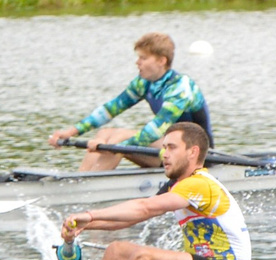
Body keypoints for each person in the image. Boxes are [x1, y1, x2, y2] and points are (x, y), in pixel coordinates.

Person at [60, 122, 254, 260]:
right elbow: (133, 217)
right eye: (164, 148)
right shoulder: (176, 185)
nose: (164, 155)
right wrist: (83, 226)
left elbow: (145, 207)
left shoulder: (200, 184)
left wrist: (90, 215)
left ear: (192, 152)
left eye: (171, 148)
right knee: (116, 250)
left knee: (144, 258)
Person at [50, 31, 210, 171]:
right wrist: (71, 132)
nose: (137, 62)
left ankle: (89, 186)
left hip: (196, 154)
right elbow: (110, 109)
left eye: (143, 58)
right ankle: (81, 181)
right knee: (104, 133)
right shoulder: (144, 83)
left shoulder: (180, 87)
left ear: (161, 61)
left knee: (118, 138)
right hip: (170, 150)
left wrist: (116, 147)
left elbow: (156, 129)